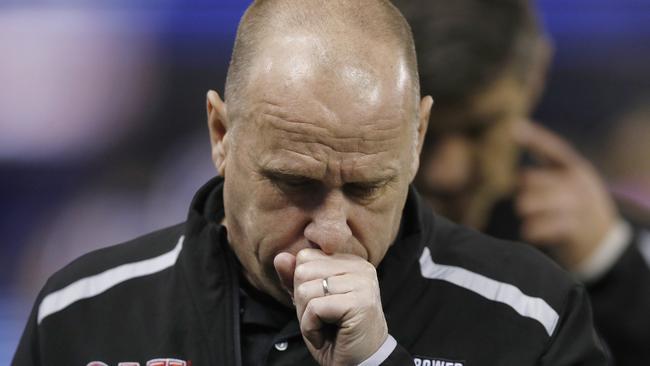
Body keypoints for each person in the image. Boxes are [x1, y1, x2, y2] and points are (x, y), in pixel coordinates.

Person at [13, 1, 608, 365]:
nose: (330, 233)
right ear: (221, 133)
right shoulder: (84, 312)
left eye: (368, 187)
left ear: (417, 137)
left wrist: (376, 362)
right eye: (294, 183)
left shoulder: (531, 315)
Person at [392, 0, 650, 363]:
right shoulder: (326, 229)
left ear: (535, 74)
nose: (445, 172)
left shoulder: (610, 248)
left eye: (479, 129)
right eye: (425, 130)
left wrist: (609, 264)